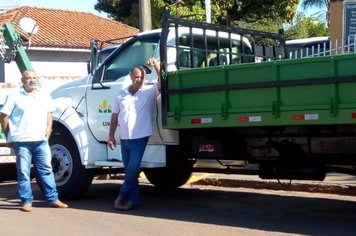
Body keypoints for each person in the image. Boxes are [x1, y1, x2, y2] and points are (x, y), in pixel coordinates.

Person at [0, 69, 68, 212]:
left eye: (34, 78)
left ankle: (53, 199)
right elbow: (4, 116)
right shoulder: (13, 96)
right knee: (24, 172)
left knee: (47, 170)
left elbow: (49, 112)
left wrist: (49, 129)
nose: (31, 80)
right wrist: (9, 136)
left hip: (41, 140)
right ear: (22, 81)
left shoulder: (43, 95)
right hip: (22, 141)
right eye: (28, 78)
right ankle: (26, 201)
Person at [108, 58, 161, 211]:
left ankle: (122, 196)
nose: (139, 79)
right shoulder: (121, 94)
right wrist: (111, 136)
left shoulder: (149, 92)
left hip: (140, 137)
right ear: (131, 77)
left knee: (133, 169)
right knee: (128, 170)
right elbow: (114, 116)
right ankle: (133, 200)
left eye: (142, 77)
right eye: (137, 76)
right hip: (124, 138)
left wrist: (157, 66)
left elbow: (162, 81)